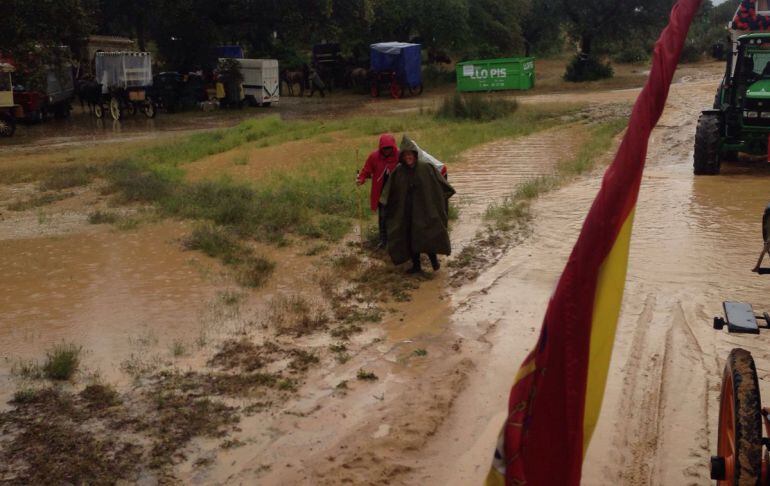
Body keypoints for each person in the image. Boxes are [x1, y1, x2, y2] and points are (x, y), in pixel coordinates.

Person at [380, 136, 455, 274]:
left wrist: (437, 202)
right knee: (409, 237)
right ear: (402, 156)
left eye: (410, 154)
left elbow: (441, 185)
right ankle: (416, 266)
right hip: (407, 212)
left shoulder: (426, 168)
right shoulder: (399, 171)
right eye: (405, 155)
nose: (408, 157)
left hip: (424, 210)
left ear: (415, 154)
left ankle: (434, 262)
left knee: (427, 235)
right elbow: (390, 191)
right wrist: (386, 205)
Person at [357, 134, 400, 248]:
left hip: (397, 193)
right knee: (383, 217)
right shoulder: (374, 157)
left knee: (398, 216)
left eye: (389, 148)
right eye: (384, 148)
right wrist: (361, 178)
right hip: (381, 193)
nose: (387, 151)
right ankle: (383, 240)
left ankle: (397, 239)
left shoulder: (399, 155)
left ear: (393, 147)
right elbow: (366, 170)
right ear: (381, 147)